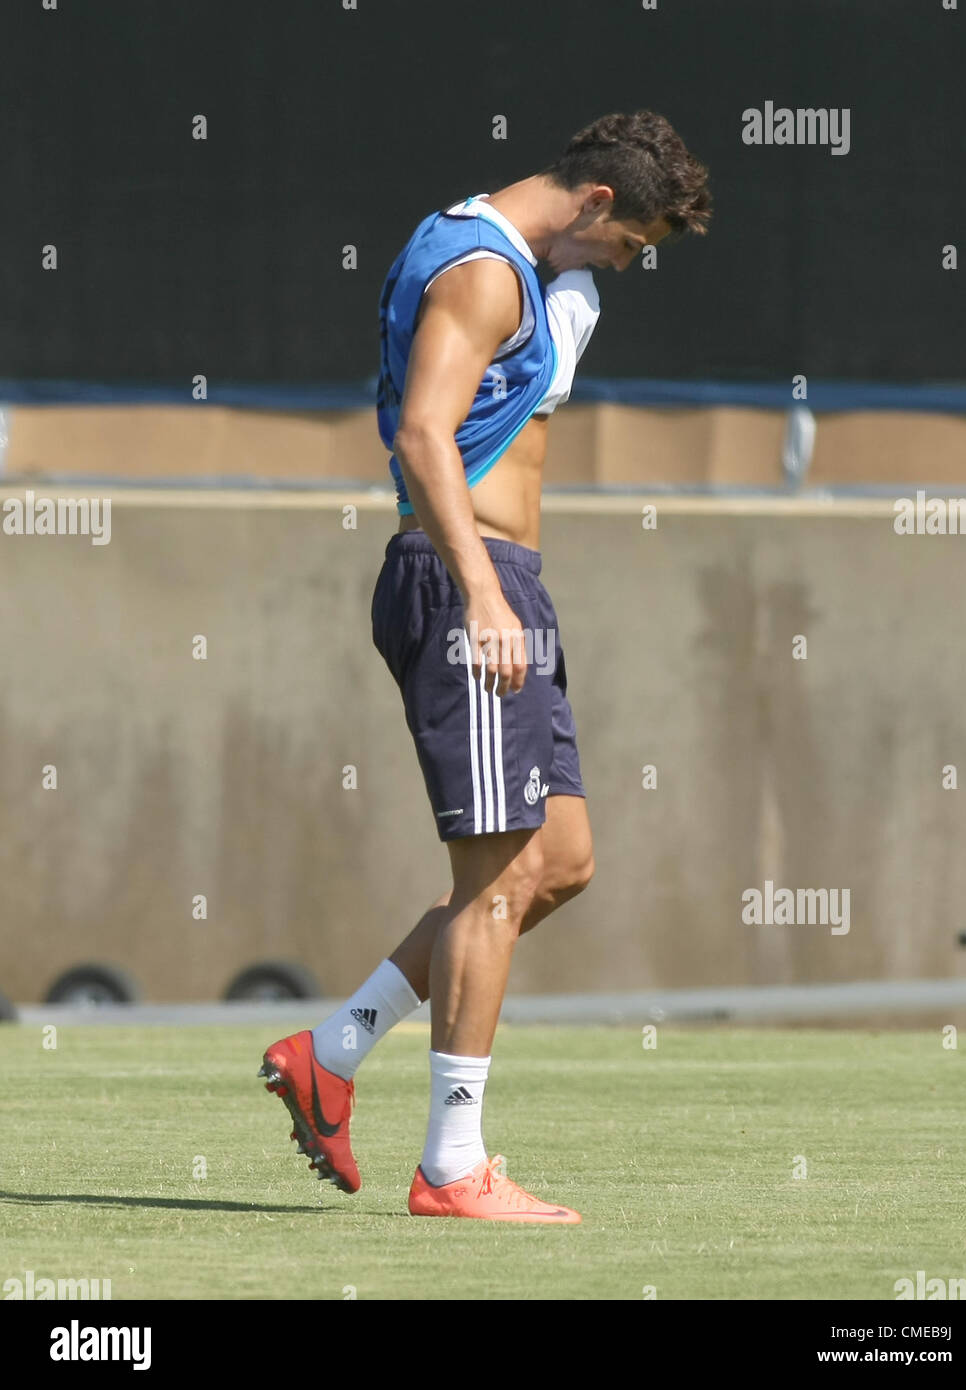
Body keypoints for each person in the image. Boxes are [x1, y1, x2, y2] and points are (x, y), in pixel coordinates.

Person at [260, 111, 711, 1221]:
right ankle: (453, 1168)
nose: (625, 266)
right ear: (597, 204)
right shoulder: (482, 271)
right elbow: (422, 436)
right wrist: (480, 592)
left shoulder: (518, 266)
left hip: (508, 587)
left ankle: (333, 1048)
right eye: (631, 245)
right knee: (493, 883)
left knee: (555, 859)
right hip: (469, 583)